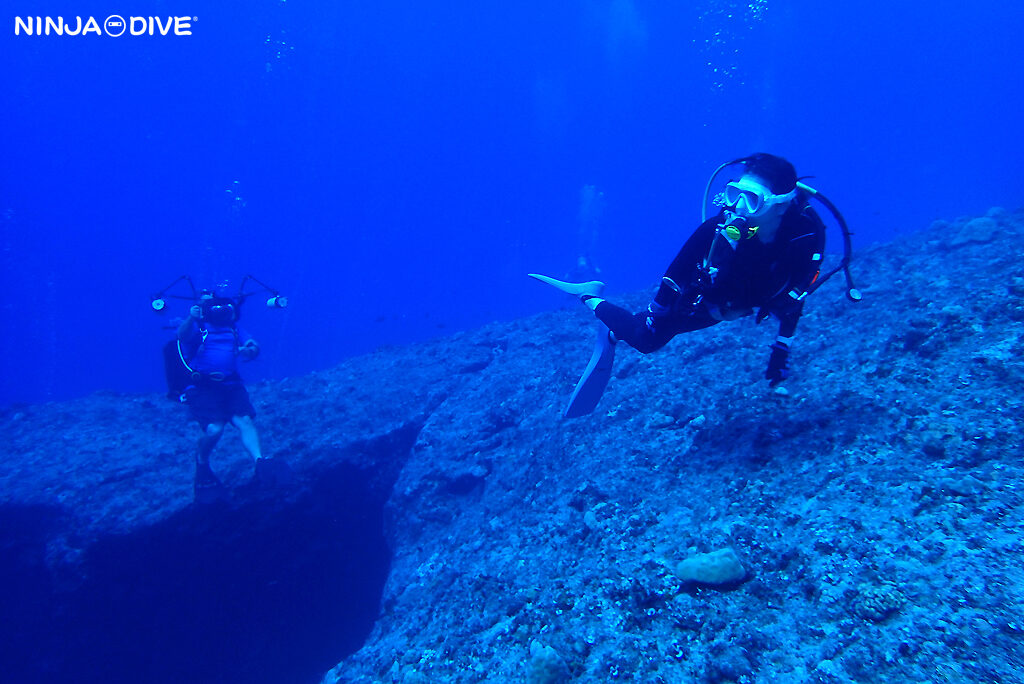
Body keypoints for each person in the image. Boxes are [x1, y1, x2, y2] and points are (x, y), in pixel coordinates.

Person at [532, 153, 847, 417]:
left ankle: (616, 326)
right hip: (707, 299)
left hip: (732, 306)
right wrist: (658, 311)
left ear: (780, 204)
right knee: (647, 339)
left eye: (751, 199)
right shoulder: (720, 228)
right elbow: (677, 270)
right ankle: (589, 296)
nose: (736, 207)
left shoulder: (806, 237)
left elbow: (797, 293)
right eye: (735, 193)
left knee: (647, 333)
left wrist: (781, 352)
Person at [177, 292, 289, 502]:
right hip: (203, 387)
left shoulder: (235, 329)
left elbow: (253, 346)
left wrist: (249, 351)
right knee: (215, 428)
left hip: (230, 385)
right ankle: (202, 461)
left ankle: (259, 461)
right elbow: (182, 336)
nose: (222, 315)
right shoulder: (200, 329)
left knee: (244, 421)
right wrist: (191, 317)